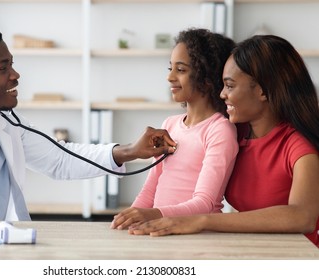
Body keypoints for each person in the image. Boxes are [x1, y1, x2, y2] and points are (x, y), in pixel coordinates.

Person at [0, 17, 176, 221]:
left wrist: (131, 151)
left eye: (12, 64)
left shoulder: (6, 122)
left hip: (9, 252)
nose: (15, 75)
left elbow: (60, 159)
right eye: (3, 68)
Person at [128, 34, 319, 247]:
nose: (221, 94)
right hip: (252, 253)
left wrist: (201, 220)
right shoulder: (238, 135)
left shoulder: (300, 148)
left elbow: (303, 217)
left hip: (297, 260)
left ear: (263, 90)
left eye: (229, 86)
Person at [111, 28, 238, 230]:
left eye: (180, 70)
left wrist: (150, 215)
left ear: (207, 78)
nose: (170, 77)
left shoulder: (219, 131)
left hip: (197, 235)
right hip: (161, 229)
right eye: (170, 68)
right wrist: (127, 221)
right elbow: (149, 191)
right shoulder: (169, 125)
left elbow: (204, 204)